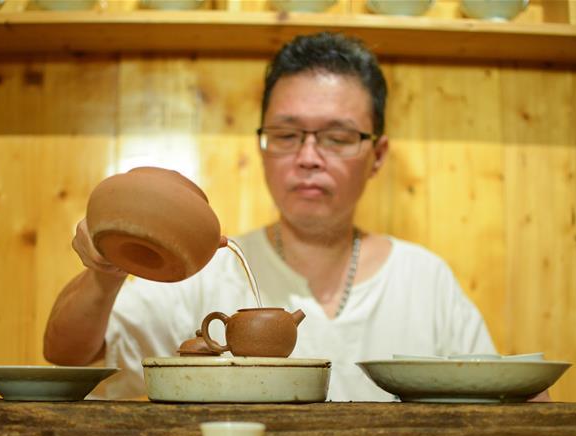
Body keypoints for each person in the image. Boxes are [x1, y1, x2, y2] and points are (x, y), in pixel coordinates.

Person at [43, 32, 496, 402]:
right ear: (262, 147)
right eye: (286, 134)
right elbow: (68, 355)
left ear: (377, 156)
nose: (308, 157)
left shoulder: (424, 279)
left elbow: (495, 397)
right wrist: (104, 274)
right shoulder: (205, 271)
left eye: (337, 137)